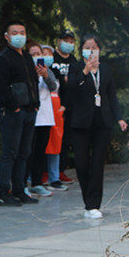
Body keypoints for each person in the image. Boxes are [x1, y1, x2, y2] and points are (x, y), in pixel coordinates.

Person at [67, 34, 128, 218]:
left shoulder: (106, 70)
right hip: (81, 122)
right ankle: (88, 199)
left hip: (102, 121)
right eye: (87, 47)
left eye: (94, 47)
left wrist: (119, 118)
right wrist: (85, 71)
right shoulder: (76, 67)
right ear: (82, 50)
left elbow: (111, 97)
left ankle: (93, 205)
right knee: (82, 164)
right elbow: (71, 88)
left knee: (97, 163)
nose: (91, 50)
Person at [0, 21, 40, 206]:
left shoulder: (27, 57)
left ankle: (20, 190)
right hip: (14, 112)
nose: (19, 35)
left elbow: (34, 82)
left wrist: (36, 105)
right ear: (7, 36)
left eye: (22, 32)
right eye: (14, 32)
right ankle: (3, 193)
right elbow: (2, 87)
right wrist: (14, 106)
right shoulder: (3, 59)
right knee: (10, 153)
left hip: (30, 111)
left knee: (24, 153)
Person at [27, 42, 59, 197]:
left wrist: (45, 76)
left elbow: (54, 87)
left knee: (41, 152)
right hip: (31, 117)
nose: (36, 57)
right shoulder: (25, 71)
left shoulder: (48, 71)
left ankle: (37, 183)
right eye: (32, 54)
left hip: (46, 117)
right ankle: (23, 183)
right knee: (28, 151)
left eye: (38, 54)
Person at [52, 30, 78, 184]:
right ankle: (46, 172)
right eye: (65, 40)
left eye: (71, 41)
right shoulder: (52, 58)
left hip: (70, 107)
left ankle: (60, 170)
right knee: (52, 140)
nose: (68, 43)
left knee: (65, 140)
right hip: (54, 106)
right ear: (59, 41)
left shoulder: (74, 61)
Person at [41, 45, 68, 192]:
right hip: (42, 110)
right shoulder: (34, 71)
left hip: (56, 111)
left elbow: (63, 89)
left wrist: (64, 105)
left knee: (56, 143)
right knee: (40, 144)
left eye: (49, 54)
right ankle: (36, 177)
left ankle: (54, 176)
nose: (46, 56)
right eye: (42, 53)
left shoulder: (55, 72)